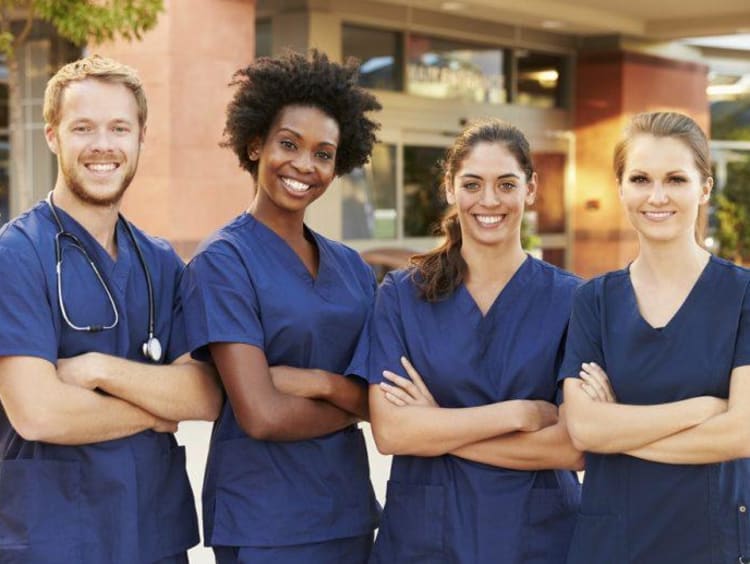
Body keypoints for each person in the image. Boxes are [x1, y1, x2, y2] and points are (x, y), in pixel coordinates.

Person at [0, 55, 222, 563]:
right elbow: (38, 412)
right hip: (55, 538)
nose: (103, 145)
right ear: (52, 135)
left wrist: (97, 369)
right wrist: (154, 408)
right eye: (83, 127)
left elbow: (205, 395)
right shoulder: (17, 254)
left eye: (119, 127)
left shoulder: (161, 262)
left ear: (142, 137)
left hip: (152, 536)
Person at [179, 50, 381, 564]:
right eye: (288, 144)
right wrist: (350, 401)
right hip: (266, 522)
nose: (304, 165)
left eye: (323, 153)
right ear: (255, 144)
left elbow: (378, 400)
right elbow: (262, 415)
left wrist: (319, 383)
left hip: (350, 512)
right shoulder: (223, 262)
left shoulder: (353, 268)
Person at [367, 119, 583, 563]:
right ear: (449, 188)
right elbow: (391, 432)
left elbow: (571, 446)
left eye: (506, 184)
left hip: (538, 540)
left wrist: (435, 428)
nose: (489, 200)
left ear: (531, 189)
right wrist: (518, 413)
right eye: (472, 184)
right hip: (427, 539)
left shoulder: (574, 300)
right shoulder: (402, 296)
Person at [559, 111, 750, 564]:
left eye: (676, 179)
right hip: (612, 545)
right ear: (620, 187)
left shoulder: (742, 296)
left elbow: (741, 432)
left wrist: (617, 432)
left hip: (711, 541)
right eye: (641, 178)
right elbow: (583, 427)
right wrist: (700, 410)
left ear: (704, 188)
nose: (657, 196)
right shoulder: (594, 301)